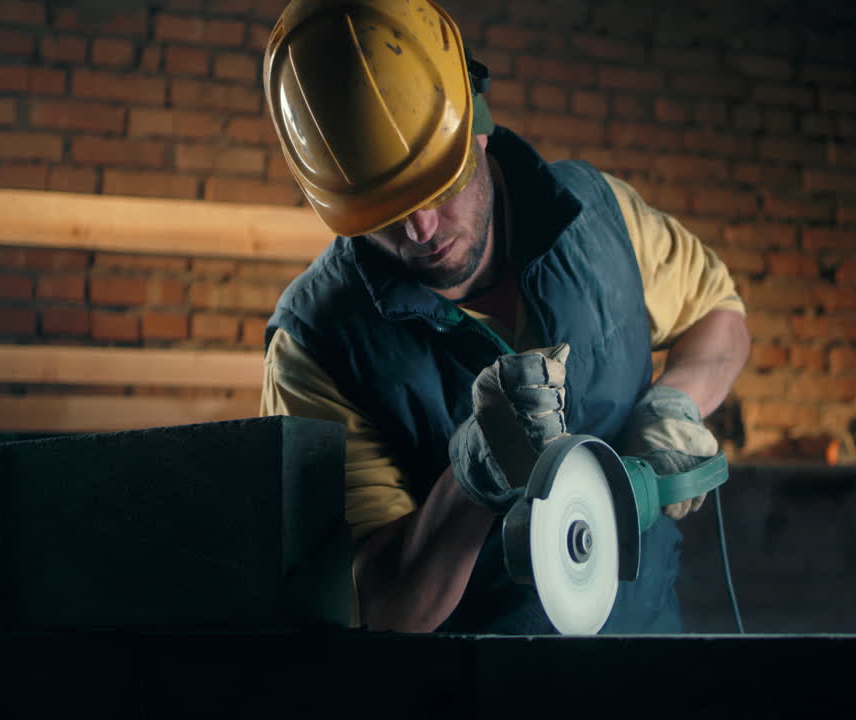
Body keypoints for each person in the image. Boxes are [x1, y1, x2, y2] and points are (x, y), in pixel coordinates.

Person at [259, 0, 750, 634]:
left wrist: (676, 403)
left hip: (650, 663)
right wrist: (469, 485)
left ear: (478, 127)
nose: (420, 229)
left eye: (438, 185)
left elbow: (721, 318)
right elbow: (370, 611)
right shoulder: (315, 344)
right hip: (471, 694)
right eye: (383, 212)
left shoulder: (600, 218)